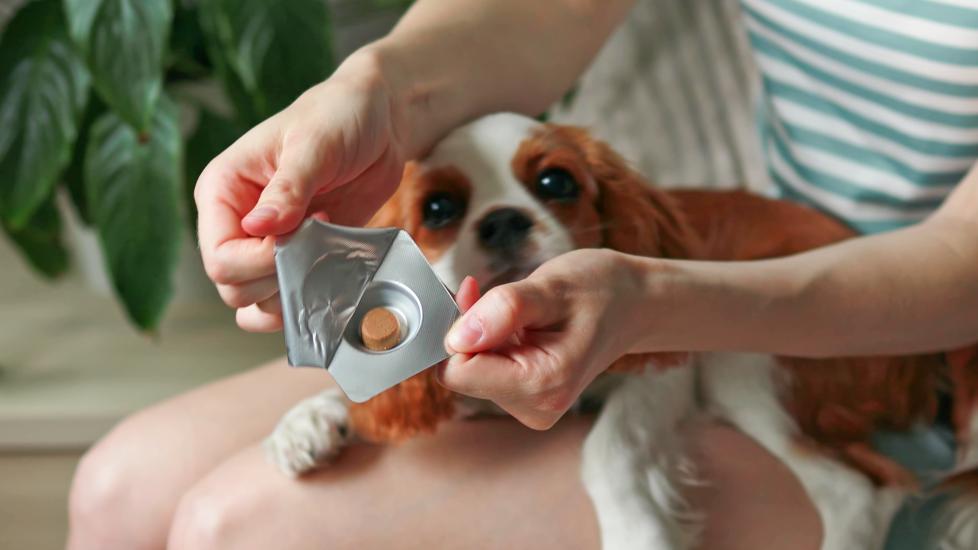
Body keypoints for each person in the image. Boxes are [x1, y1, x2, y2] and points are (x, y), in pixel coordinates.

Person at [67, 1, 978, 549]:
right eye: (443, 209)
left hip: (888, 346)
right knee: (118, 485)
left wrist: (663, 302)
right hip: (722, 270)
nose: (505, 217)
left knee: (237, 526)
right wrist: (378, 89)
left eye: (549, 185)